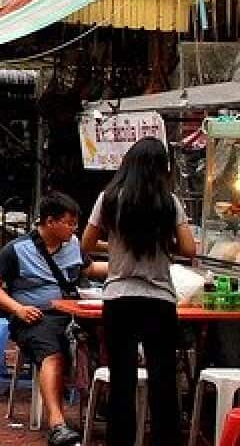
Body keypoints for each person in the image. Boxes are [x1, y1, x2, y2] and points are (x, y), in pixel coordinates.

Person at [81, 137, 195, 446]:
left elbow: (86, 244)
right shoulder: (169, 202)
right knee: (163, 379)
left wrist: (115, 242)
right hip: (159, 300)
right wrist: (163, 245)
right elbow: (189, 248)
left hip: (119, 298)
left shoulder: (108, 199)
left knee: (122, 379)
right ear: (162, 167)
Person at [0, 193, 108, 446]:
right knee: (53, 354)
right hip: (36, 317)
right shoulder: (16, 250)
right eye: (69, 223)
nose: (74, 229)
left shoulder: (73, 244)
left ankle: (104, 406)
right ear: (50, 221)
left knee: (109, 340)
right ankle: (57, 425)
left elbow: (91, 269)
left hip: (73, 313)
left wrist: (130, 266)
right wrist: (18, 309)